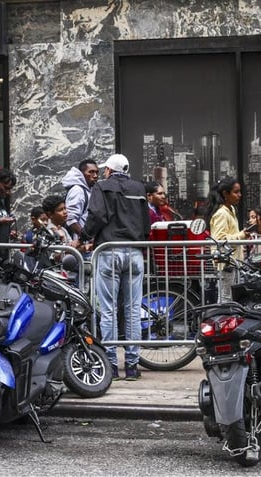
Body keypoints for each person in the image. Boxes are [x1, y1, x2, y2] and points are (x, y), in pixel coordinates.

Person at [82, 153, 150, 381]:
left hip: (109, 251)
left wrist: (86, 235)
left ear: (109, 170)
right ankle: (132, 366)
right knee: (132, 310)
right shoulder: (139, 188)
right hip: (134, 252)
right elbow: (146, 221)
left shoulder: (102, 187)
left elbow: (97, 215)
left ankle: (110, 364)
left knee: (109, 310)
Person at [204, 177, 250, 301]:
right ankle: (223, 320)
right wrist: (241, 235)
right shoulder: (221, 213)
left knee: (230, 297)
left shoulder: (231, 209)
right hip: (226, 263)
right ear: (225, 194)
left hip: (233, 261)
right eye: (236, 192)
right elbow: (220, 240)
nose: (239, 195)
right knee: (226, 298)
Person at [62, 159, 99, 238]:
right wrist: (85, 237)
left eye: (96, 172)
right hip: (80, 244)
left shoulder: (88, 190)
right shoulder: (78, 191)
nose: (95, 175)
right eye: (91, 172)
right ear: (81, 174)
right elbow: (71, 219)